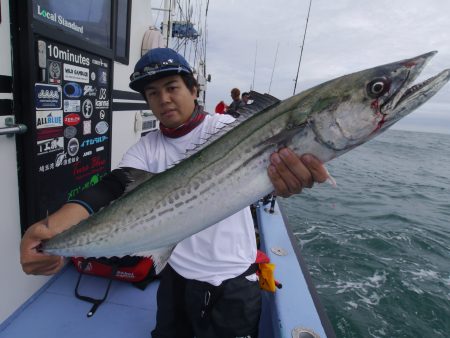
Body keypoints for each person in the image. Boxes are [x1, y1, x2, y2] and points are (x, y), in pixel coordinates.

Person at [20, 48, 328, 338]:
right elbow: (110, 188)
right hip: (175, 275)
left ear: (194, 90)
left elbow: (270, 168)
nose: (163, 99)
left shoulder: (227, 128)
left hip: (232, 280)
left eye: (172, 87)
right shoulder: (146, 148)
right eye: (152, 93)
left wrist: (285, 180)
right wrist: (51, 232)